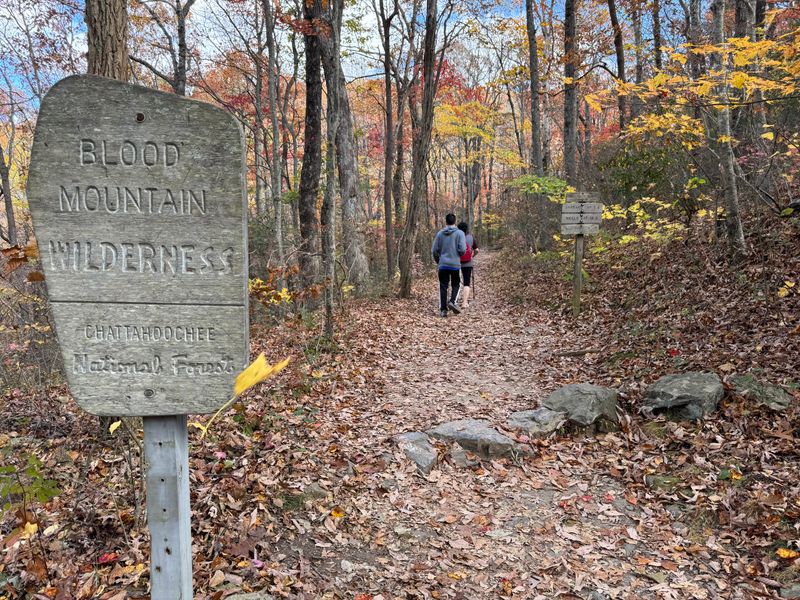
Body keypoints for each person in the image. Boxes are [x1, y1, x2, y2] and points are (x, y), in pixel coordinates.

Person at [431, 213, 466, 317]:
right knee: (456, 284)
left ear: (446, 222)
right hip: (455, 264)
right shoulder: (460, 233)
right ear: (455, 222)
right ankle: (452, 302)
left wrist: (439, 261)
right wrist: (458, 255)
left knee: (443, 286)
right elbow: (462, 249)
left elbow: (434, 250)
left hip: (443, 264)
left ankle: (443, 310)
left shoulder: (440, 234)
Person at [457, 221, 478, 308]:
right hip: (468, 263)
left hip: (456, 263)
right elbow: (477, 250)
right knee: (466, 282)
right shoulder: (470, 237)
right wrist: (472, 256)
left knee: (456, 282)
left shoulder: (456, 237)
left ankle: (455, 300)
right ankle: (464, 302)